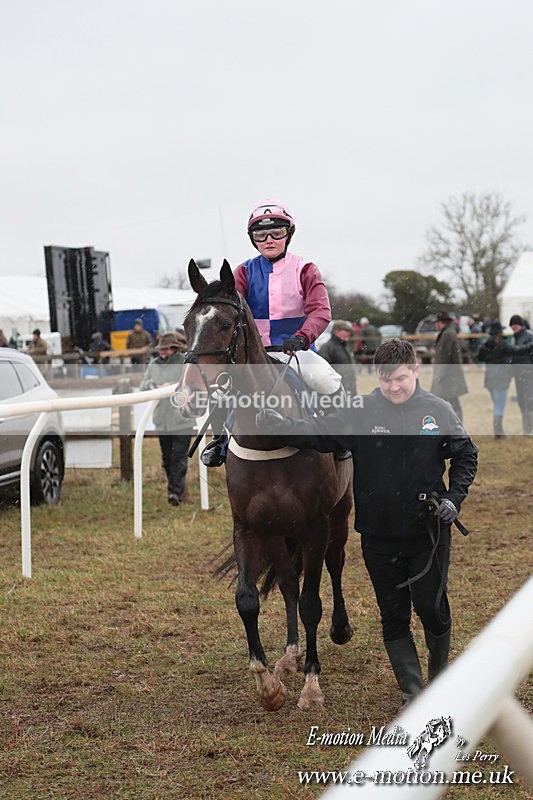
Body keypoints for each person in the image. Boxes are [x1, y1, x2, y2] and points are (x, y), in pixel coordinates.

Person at [256, 339, 478, 707]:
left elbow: (466, 454)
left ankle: (440, 684)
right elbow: (318, 433)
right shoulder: (361, 411)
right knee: (393, 617)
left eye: (402, 379)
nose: (394, 387)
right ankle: (414, 695)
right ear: (377, 376)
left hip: (428, 534)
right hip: (378, 536)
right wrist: (281, 426)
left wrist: (454, 499)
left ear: (416, 371)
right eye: (387, 379)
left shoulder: (438, 411)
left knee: (431, 610)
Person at [200, 199, 342, 466]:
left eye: (277, 232)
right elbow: (227, 309)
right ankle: (221, 440)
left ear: (288, 235)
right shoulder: (242, 271)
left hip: (296, 350)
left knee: (326, 380)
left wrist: (303, 336)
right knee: (221, 388)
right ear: (253, 239)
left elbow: (321, 311)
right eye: (260, 234)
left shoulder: (305, 268)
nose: (269, 239)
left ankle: (337, 438)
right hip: (256, 354)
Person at [140, 332, 193, 505]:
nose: (163, 352)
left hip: (181, 420)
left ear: (174, 348)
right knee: (167, 460)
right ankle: (176, 491)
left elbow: (191, 383)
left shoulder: (184, 362)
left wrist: (170, 386)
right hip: (162, 421)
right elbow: (143, 385)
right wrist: (153, 386)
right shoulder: (153, 364)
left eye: (166, 349)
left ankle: (175, 493)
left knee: (179, 458)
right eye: (161, 349)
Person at [477, 321, 533, 439]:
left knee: (496, 403)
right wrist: (531, 345)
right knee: (499, 405)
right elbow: (519, 350)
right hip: (501, 379)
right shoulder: (503, 345)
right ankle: (498, 431)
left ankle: (498, 429)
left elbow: (479, 357)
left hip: (489, 378)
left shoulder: (485, 345)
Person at [430, 310, 468, 421]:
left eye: (436, 322)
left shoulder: (447, 334)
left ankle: (456, 430)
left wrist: (438, 377)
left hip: (448, 378)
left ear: (440, 322)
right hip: (449, 377)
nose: (435, 325)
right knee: (451, 404)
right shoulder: (447, 333)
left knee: (450, 405)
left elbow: (444, 358)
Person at [318, 320, 357, 396]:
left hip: (349, 390)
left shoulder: (345, 347)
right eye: (346, 330)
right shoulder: (327, 348)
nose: (348, 333)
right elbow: (323, 373)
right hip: (337, 394)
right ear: (337, 331)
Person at [508, 315, 533, 434]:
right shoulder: (513, 338)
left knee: (529, 400)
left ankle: (529, 428)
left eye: (515, 325)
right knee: (522, 401)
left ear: (521, 325)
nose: (513, 327)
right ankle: (526, 428)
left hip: (528, 373)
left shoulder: (529, 336)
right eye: (512, 325)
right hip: (518, 373)